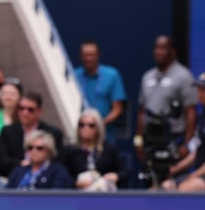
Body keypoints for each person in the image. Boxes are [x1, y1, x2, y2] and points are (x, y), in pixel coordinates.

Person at [135, 35, 197, 163]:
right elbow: (141, 112)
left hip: (174, 137)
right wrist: (138, 141)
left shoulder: (184, 76)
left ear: (172, 51)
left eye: (162, 48)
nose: (157, 52)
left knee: (173, 173)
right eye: (156, 48)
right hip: (150, 137)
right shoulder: (147, 76)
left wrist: (187, 143)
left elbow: (190, 112)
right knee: (149, 173)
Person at [0, 91, 64, 177]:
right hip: (13, 178)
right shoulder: (8, 132)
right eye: (21, 108)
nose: (25, 113)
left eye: (30, 110)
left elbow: (57, 162)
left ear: (39, 111)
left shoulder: (53, 134)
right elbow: (1, 161)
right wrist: (21, 164)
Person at [58, 109, 125, 191]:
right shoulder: (70, 151)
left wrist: (116, 176)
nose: (85, 128)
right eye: (82, 125)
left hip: (103, 194)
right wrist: (75, 182)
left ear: (98, 128)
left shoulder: (108, 149)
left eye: (91, 125)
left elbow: (124, 172)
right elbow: (60, 175)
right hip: (77, 194)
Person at [73, 40, 126, 142]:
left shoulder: (112, 75)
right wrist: (85, 126)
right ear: (80, 56)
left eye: (92, 55)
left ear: (98, 55)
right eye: (85, 55)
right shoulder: (74, 76)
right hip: (80, 136)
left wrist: (99, 125)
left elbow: (118, 109)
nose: (89, 58)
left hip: (105, 136)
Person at [6, 129, 72, 189]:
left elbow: (57, 195)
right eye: (30, 147)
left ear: (49, 151)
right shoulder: (18, 171)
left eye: (39, 148)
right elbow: (6, 194)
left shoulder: (57, 172)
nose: (34, 151)